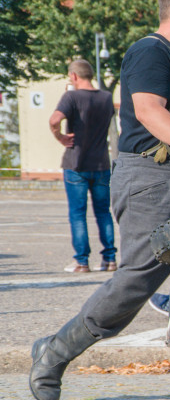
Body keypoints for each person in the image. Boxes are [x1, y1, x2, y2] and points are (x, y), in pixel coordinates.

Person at [29, 0, 170, 400]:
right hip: (154, 183)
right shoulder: (151, 52)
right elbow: (147, 110)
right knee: (136, 283)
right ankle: (54, 353)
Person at [49, 59, 117, 273]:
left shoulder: (71, 97)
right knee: (103, 212)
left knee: (78, 214)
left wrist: (59, 136)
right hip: (101, 163)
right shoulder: (106, 98)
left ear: (74, 76)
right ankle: (110, 259)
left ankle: (81, 261)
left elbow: (54, 120)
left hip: (76, 163)